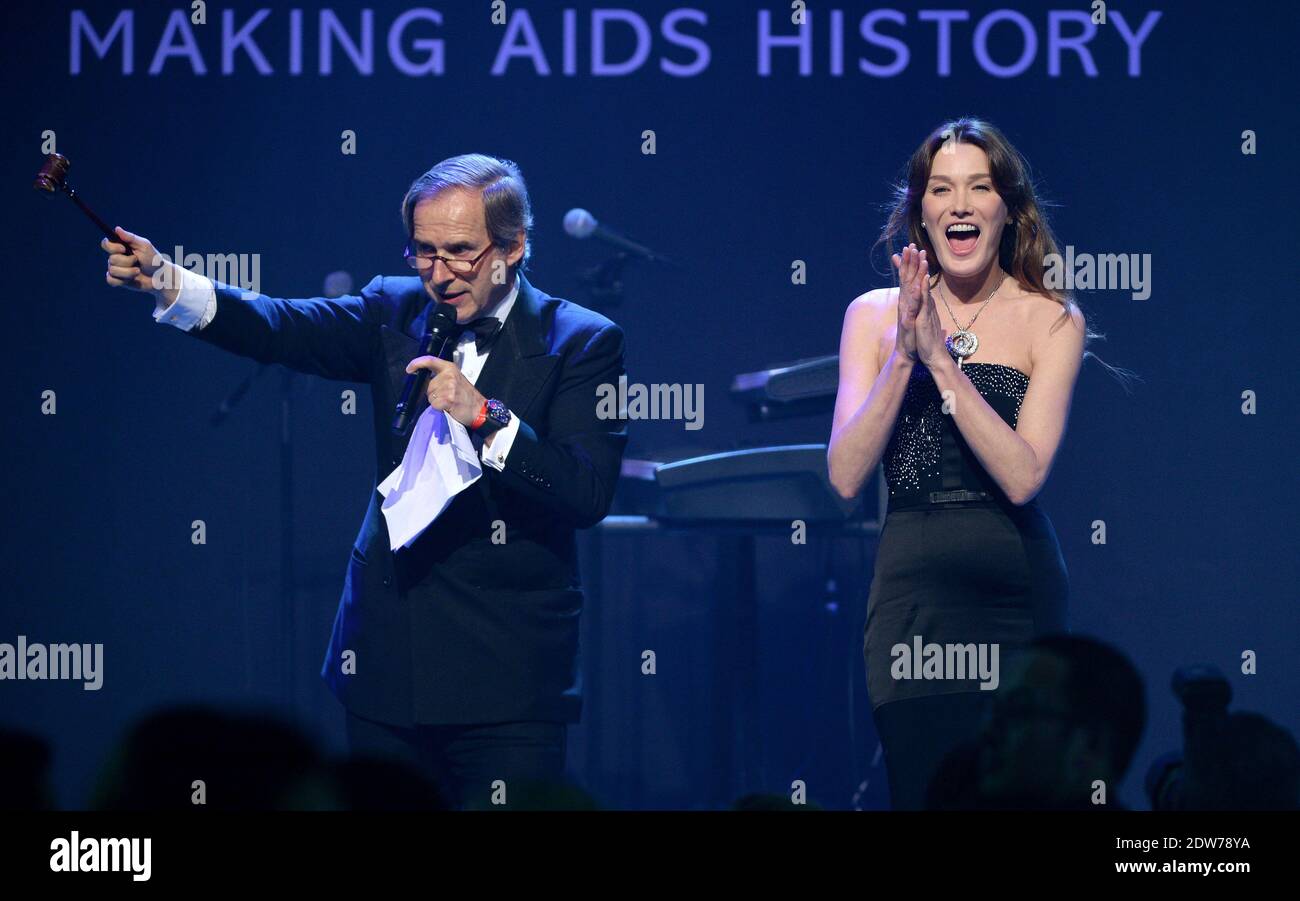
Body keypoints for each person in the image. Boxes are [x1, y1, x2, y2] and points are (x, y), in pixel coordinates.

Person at [101, 154, 628, 809]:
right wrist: (168, 282)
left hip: (507, 674)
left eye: (460, 252)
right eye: (423, 251)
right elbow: (280, 326)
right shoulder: (394, 307)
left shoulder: (583, 341)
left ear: (515, 247)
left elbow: (587, 491)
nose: (438, 274)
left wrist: (486, 414)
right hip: (386, 658)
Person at [827, 118, 1088, 810]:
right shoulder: (873, 316)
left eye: (980, 187)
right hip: (911, 605)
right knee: (924, 790)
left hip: (1015, 595)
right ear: (922, 210)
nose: (961, 204)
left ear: (1009, 207)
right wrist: (906, 355)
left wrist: (943, 358)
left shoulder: (1051, 318)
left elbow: (1024, 475)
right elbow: (847, 474)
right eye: (942, 189)